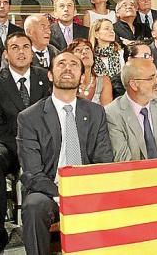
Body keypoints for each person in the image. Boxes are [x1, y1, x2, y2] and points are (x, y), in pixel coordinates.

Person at [18, 51, 113, 255]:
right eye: (61, 64)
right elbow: (32, 172)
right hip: (49, 190)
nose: (68, 68)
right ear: (50, 75)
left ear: (81, 76)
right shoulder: (30, 117)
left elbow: (104, 161)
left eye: (74, 65)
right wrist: (62, 194)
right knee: (33, 207)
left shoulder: (96, 113)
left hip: (87, 188)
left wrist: (84, 191)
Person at [0, 32, 51, 254]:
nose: (21, 52)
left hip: (43, 145)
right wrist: (24, 149)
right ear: (5, 53)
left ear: (32, 52)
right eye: (15, 47)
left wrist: (38, 147)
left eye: (25, 47)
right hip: (10, 145)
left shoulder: (45, 77)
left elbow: (52, 117)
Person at [105, 58, 157, 161]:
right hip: (133, 175)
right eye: (151, 78)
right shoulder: (112, 114)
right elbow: (123, 160)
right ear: (134, 84)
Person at [66, 38, 113, 106]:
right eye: (78, 50)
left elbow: (107, 112)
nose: (84, 52)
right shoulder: (66, 82)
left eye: (87, 48)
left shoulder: (104, 81)